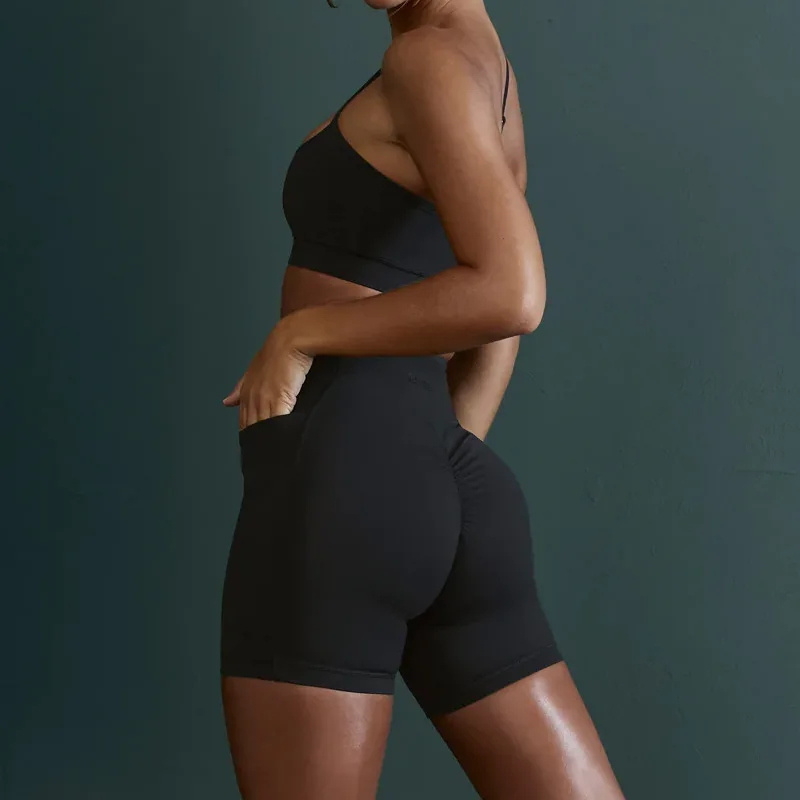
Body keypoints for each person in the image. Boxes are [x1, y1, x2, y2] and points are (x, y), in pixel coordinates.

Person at [219, 1, 626, 798]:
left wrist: (300, 334)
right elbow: (495, 312)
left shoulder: (424, 61)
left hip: (338, 475)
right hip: (440, 478)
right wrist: (424, 470)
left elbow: (511, 293)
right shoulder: (488, 73)